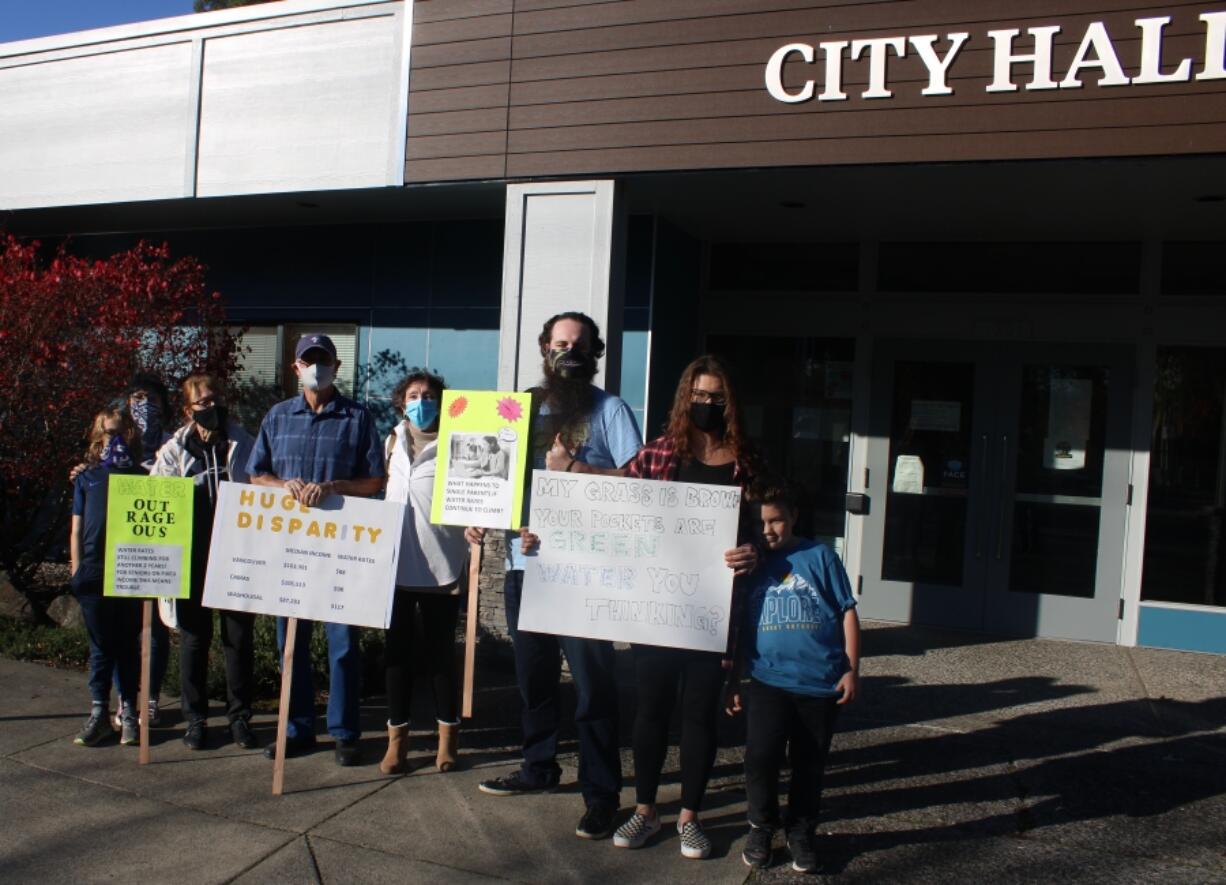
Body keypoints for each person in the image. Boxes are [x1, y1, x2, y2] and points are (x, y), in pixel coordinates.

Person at [469, 311, 642, 841]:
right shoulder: (517, 409)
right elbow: (493, 475)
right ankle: (538, 768)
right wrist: (480, 511)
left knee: (592, 688)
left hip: (585, 575)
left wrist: (579, 469)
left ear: (596, 354)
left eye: (580, 346)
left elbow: (642, 485)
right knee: (534, 682)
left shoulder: (610, 410)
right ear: (544, 348)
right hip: (526, 567)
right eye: (560, 343)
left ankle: (601, 795)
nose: (570, 353)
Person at [611, 354, 761, 860]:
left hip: (714, 615)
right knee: (650, 711)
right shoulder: (658, 455)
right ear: (684, 398)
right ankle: (646, 809)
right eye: (699, 396)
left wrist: (756, 550)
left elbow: (774, 525)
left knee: (700, 716)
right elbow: (607, 505)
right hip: (656, 609)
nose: (707, 405)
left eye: (717, 397)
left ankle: (691, 817)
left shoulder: (747, 462)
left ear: (730, 402)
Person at [247, 333, 384, 766]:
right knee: (291, 643)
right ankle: (297, 728)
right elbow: (256, 474)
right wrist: (280, 485)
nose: (316, 367)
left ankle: (344, 732)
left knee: (342, 644)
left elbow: (375, 481)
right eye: (309, 360)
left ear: (337, 366)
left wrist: (334, 488)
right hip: (289, 548)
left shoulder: (359, 418)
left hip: (338, 549)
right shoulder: (277, 416)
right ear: (296, 368)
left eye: (324, 360)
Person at [727, 482, 860, 874]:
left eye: (777, 520)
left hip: (820, 683)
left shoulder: (820, 557)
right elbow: (737, 627)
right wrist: (734, 680)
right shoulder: (750, 564)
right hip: (768, 681)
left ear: (794, 516)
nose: (768, 529)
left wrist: (852, 668)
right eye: (760, 522)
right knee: (761, 757)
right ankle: (761, 826)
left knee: (809, 763)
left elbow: (847, 611)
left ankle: (801, 830)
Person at [150, 373, 259, 751]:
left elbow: (262, 485)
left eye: (215, 399)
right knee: (194, 641)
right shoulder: (174, 451)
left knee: (238, 640)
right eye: (202, 403)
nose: (211, 407)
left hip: (236, 557)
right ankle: (195, 719)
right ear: (187, 410)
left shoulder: (243, 443)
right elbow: (154, 498)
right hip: (193, 560)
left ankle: (240, 718)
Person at [379, 368, 468, 775]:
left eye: (430, 395)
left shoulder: (460, 443)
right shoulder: (391, 441)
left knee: (440, 658)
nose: (422, 401)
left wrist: (477, 521)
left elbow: (477, 494)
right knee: (397, 657)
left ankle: (446, 741)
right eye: (414, 394)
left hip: (441, 565)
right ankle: (397, 741)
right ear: (402, 402)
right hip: (395, 565)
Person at [68, 408, 144, 746]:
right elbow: (76, 528)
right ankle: (99, 710)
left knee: (128, 645)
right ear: (99, 439)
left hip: (129, 571)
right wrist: (76, 570)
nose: (115, 441)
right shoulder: (88, 478)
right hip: (94, 573)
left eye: (120, 432)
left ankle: (129, 711)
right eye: (108, 434)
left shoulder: (144, 477)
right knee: (100, 647)